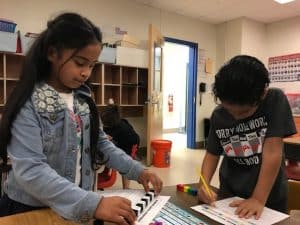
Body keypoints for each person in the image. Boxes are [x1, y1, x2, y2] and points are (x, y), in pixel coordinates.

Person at [0, 12, 162, 225]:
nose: (86, 72)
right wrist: (94, 204)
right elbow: (31, 171)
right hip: (31, 210)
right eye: (80, 63)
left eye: (92, 65)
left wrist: (138, 170)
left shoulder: (84, 99)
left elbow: (101, 144)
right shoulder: (28, 102)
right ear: (52, 53)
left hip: (75, 208)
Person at [198, 55, 296, 220]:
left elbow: (273, 152)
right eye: (229, 110)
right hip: (229, 195)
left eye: (243, 112)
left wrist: (258, 199)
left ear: (263, 93)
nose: (235, 117)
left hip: (268, 197)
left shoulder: (274, 100)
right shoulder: (218, 115)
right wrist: (204, 184)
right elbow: (212, 154)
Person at [100, 104, 140, 189]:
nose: (103, 124)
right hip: (121, 141)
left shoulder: (121, 127)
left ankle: (126, 188)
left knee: (124, 164)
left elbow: (107, 138)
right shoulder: (113, 123)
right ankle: (105, 172)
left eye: (105, 123)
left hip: (131, 144)